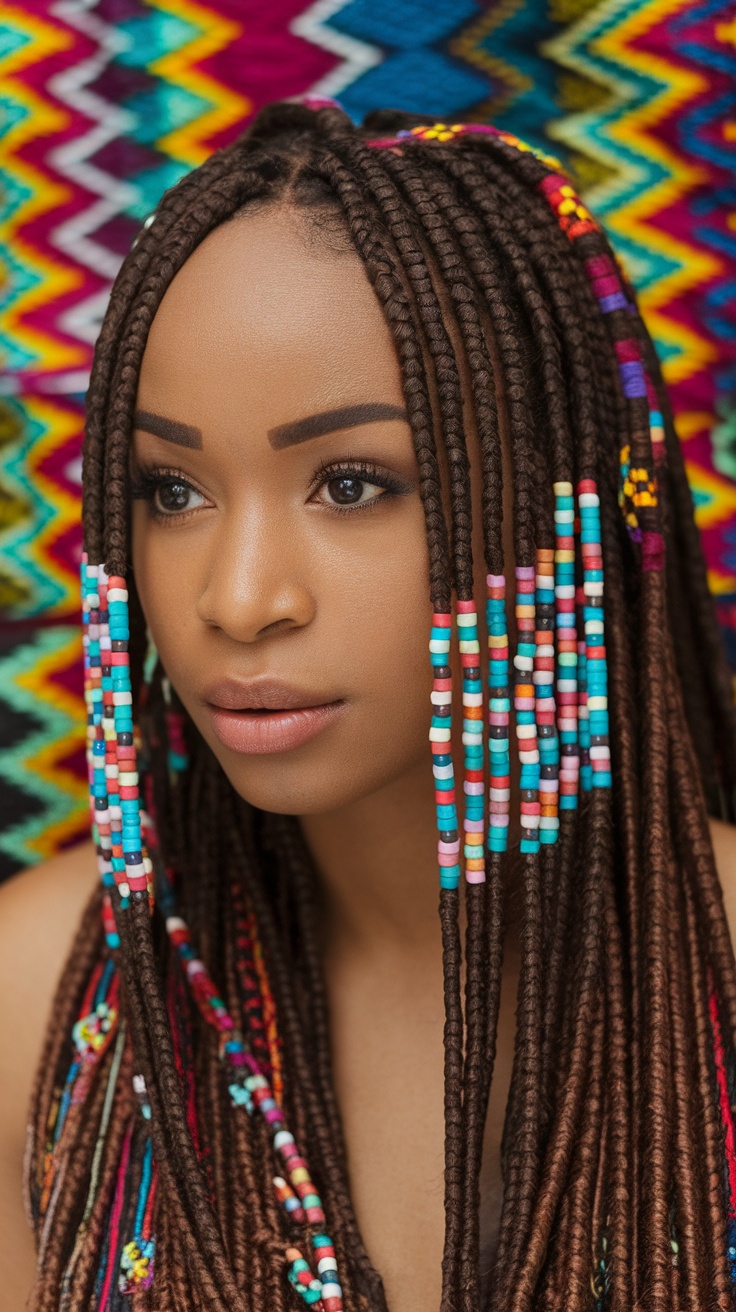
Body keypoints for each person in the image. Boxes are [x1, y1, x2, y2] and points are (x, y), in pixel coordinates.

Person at [2, 99, 736, 1312]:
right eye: (170, 489)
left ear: (556, 505)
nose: (236, 599)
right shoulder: (44, 992)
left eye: (352, 482)